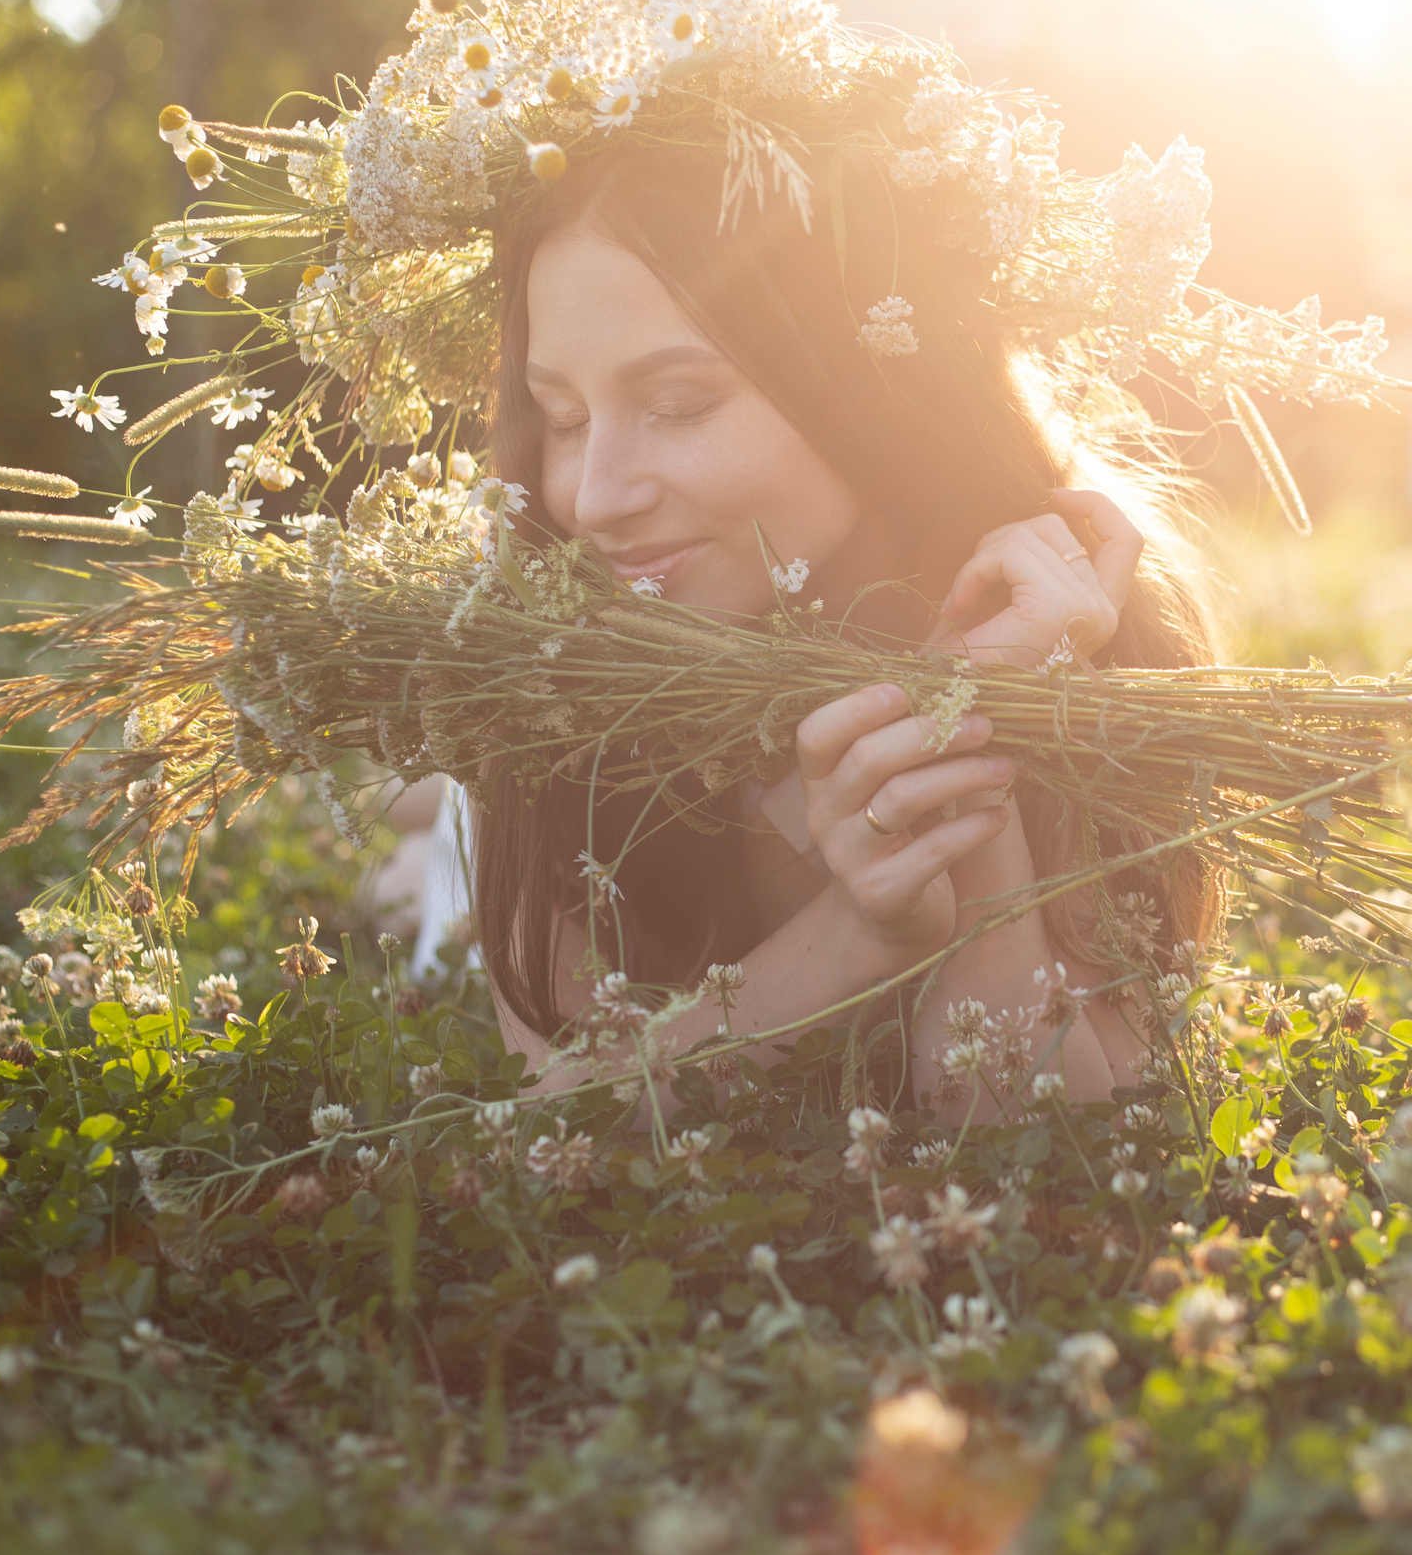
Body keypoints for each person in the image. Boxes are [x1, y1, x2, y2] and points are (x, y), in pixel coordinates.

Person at [474, 134, 1224, 1114]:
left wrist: (969, 741)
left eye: (677, 403)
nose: (597, 496)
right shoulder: (528, 667)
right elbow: (552, 1120)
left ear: (857, 389)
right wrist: (857, 940)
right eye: (563, 419)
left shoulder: (1073, 631)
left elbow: (1052, 1158)